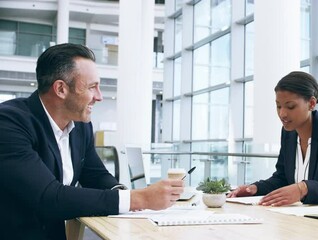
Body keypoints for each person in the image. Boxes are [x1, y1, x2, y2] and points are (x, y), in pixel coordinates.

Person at [0, 43, 184, 239]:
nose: (100, 96)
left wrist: (123, 194)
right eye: (92, 87)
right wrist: (138, 199)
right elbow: (48, 197)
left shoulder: (80, 126)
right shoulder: (9, 123)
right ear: (61, 89)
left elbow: (95, 175)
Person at [228, 71, 318, 206]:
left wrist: (304, 188)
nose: (282, 114)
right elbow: (282, 178)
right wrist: (255, 188)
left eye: (290, 106)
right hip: (294, 218)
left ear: (311, 103)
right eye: (278, 106)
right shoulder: (288, 134)